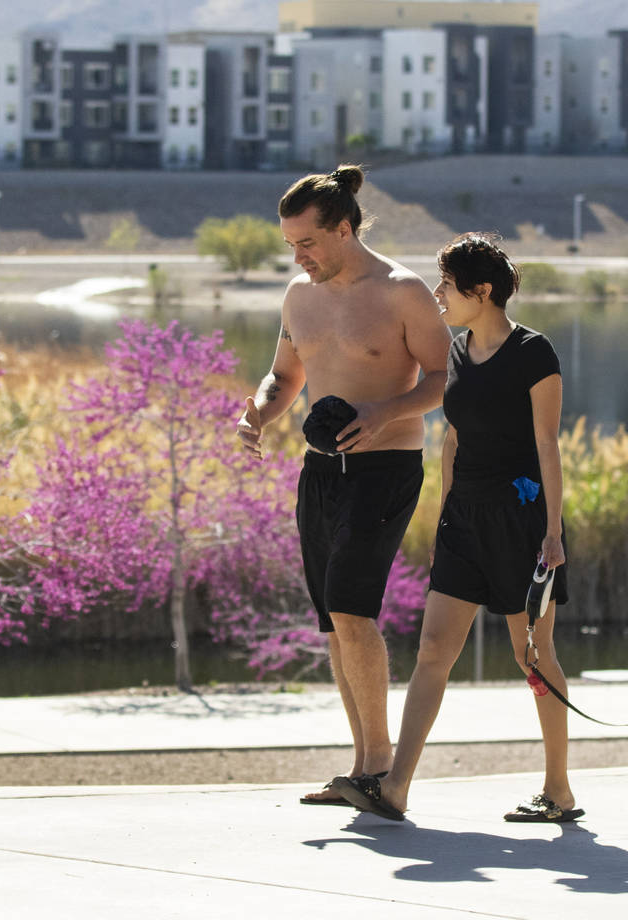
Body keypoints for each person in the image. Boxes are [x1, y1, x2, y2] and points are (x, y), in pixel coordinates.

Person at [334, 232, 581, 823]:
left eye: (448, 284)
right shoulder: (457, 351)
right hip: (464, 520)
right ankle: (395, 787)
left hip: (522, 523)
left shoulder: (534, 353)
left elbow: (548, 445)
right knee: (433, 650)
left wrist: (552, 533)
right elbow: (453, 438)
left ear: (483, 290)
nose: (439, 294)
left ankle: (559, 791)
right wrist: (444, 513)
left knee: (535, 656)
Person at [236, 165, 452, 805]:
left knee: (354, 610)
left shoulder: (403, 292)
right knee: (334, 621)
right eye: (290, 245)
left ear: (345, 228)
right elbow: (283, 376)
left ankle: (383, 769)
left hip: (385, 469)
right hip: (322, 472)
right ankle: (361, 767)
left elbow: (446, 379)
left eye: (307, 242)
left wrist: (384, 412)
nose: (298, 256)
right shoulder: (298, 296)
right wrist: (256, 411)